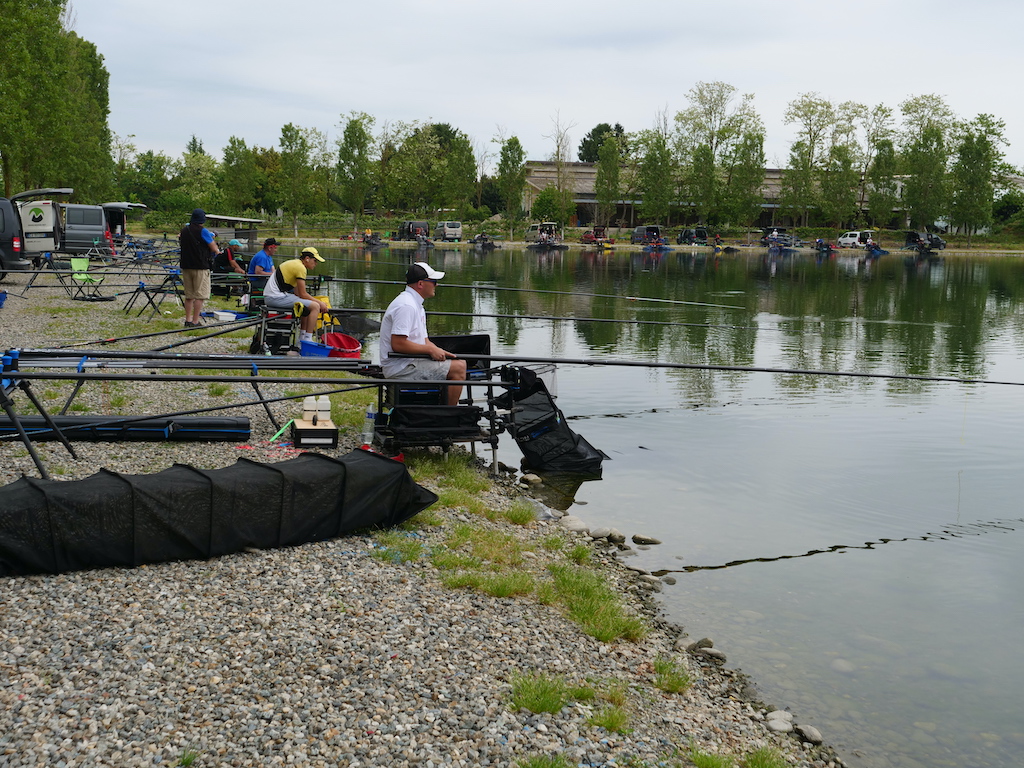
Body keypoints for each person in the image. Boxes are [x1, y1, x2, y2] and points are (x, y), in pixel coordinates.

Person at [379, 262, 467, 406]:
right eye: (434, 281)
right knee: (459, 368)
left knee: (458, 362)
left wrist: (439, 351)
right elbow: (398, 344)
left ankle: (441, 409)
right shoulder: (407, 305)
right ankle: (449, 415)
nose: (436, 285)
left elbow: (423, 340)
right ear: (420, 284)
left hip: (409, 362)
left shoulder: (416, 304)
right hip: (400, 368)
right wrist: (430, 350)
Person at [262, 246, 329, 343]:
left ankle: (302, 337)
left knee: (306, 304)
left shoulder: (296, 264)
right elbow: (303, 294)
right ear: (307, 259)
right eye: (315, 260)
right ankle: (308, 339)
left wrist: (310, 301)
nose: (316, 264)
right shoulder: (300, 268)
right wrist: (320, 303)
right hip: (275, 297)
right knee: (315, 306)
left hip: (273, 296)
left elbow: (299, 294)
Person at [178, 208, 219, 327]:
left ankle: (187, 320)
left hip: (186, 266)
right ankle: (195, 321)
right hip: (200, 267)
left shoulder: (184, 230)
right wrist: (216, 249)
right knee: (200, 295)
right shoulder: (203, 231)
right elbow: (213, 248)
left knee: (189, 296)